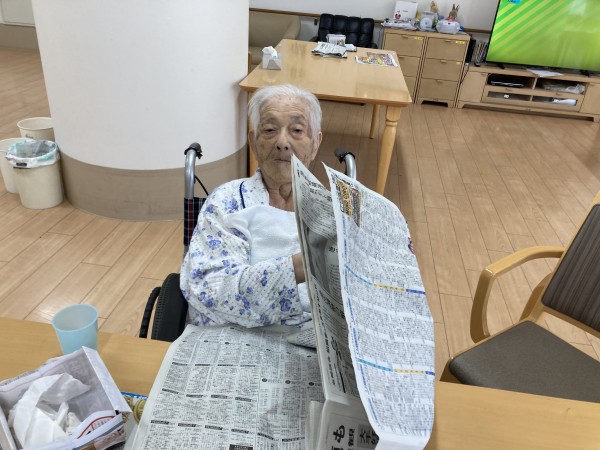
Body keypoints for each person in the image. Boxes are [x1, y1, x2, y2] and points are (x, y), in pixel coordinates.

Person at [180, 84, 323, 328]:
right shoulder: (226, 201)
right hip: (232, 337)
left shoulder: (330, 211)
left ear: (315, 143)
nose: (282, 142)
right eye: (269, 130)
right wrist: (303, 265)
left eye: (297, 130)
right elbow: (212, 290)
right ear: (253, 141)